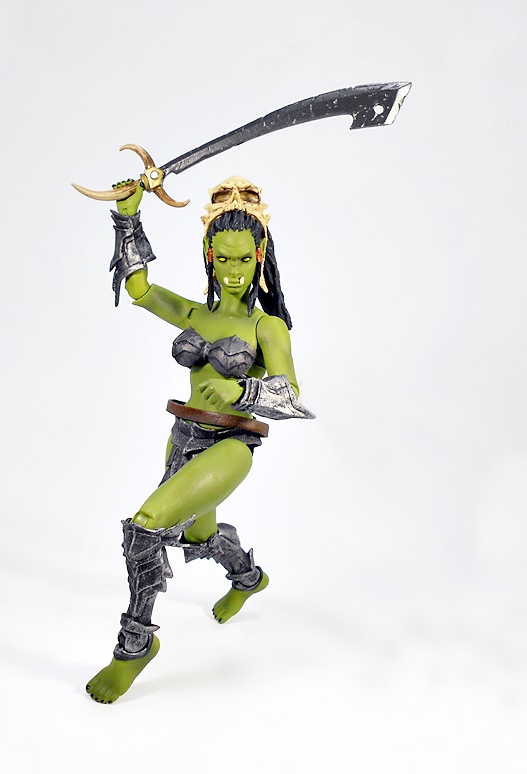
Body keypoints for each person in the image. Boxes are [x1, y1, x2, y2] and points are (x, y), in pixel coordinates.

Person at [86, 176, 314, 703]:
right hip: (183, 436)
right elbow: (140, 289)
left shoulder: (268, 328)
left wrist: (241, 389)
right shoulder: (196, 314)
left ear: (260, 257)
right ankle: (248, 578)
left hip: (231, 446)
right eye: (224, 259)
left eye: (244, 260)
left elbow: (292, 395)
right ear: (210, 255)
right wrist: (128, 216)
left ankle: (135, 644)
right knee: (196, 535)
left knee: (146, 526)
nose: (234, 272)